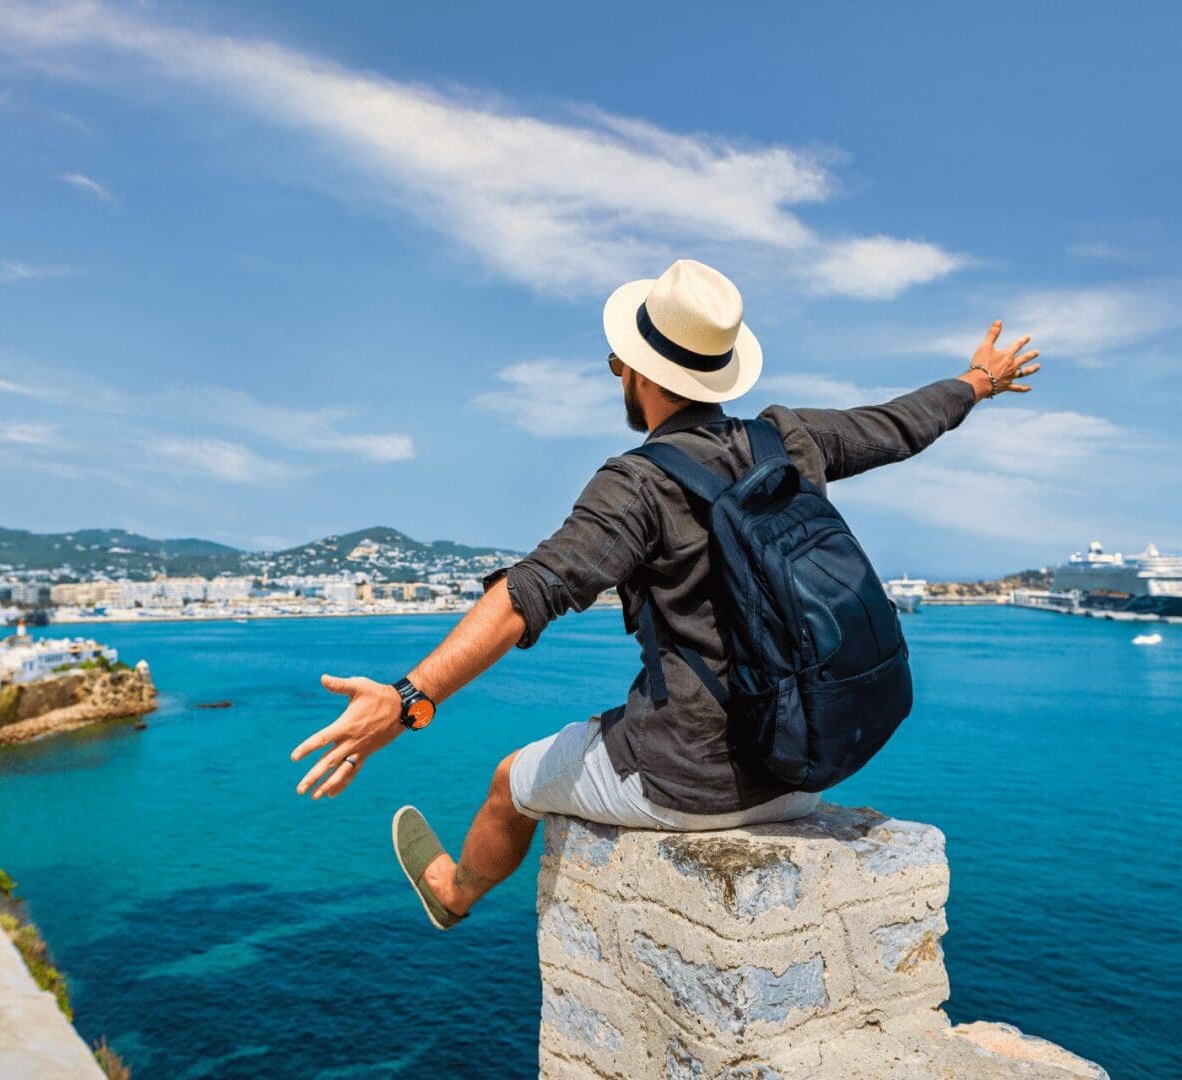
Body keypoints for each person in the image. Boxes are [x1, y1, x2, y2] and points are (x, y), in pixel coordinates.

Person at [290, 259, 1040, 930]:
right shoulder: (789, 439)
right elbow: (900, 425)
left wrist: (406, 698)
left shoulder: (638, 483)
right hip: (810, 764)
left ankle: (453, 892)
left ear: (638, 374)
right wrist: (979, 381)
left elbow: (529, 593)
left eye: (620, 363)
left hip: (690, 783)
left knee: (508, 784)